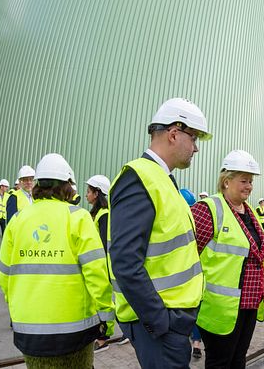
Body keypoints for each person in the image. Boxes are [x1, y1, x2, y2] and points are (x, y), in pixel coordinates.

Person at [108, 97, 211, 368]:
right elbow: (125, 261)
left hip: (172, 320)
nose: (196, 148)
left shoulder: (163, 180)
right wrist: (160, 323)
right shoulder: (138, 178)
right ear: (174, 134)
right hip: (160, 324)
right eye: (194, 137)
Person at [0, 153, 114, 368]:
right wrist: (107, 318)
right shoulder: (78, 217)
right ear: (68, 186)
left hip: (30, 332)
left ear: (37, 184)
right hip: (75, 333)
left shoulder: (17, 221)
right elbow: (96, 275)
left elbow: (4, 277)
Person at [191, 150, 264, 368]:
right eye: (244, 180)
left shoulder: (250, 211)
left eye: (251, 181)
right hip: (220, 307)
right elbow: (188, 256)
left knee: (238, 360)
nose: (249, 186)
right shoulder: (208, 210)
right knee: (220, 362)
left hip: (249, 303)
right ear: (226, 181)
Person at [86, 174, 117, 352]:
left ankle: (104, 337)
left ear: (97, 193)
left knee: (104, 302)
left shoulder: (104, 214)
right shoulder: (95, 213)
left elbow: (105, 243)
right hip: (95, 264)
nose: (87, 195)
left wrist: (104, 268)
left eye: (89, 191)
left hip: (102, 265)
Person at [179, 188, 204, 360]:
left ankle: (187, 343)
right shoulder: (198, 221)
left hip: (179, 277)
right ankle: (196, 343)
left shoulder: (174, 219)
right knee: (196, 310)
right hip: (196, 274)